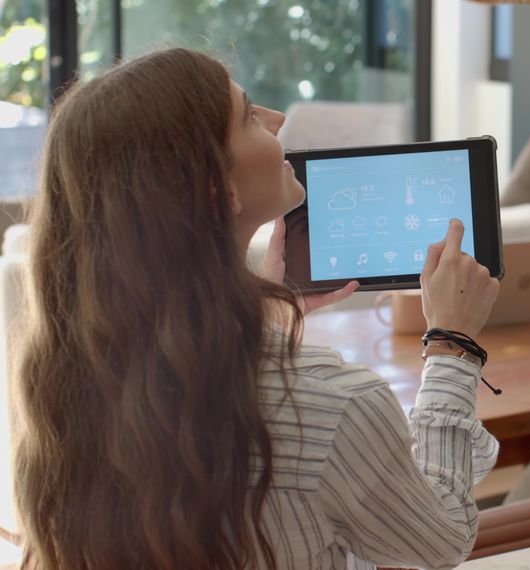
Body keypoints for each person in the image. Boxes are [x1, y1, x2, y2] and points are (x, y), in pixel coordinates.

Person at [14, 47, 500, 569]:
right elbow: (441, 542)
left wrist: (258, 315)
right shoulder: (333, 405)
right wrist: (452, 346)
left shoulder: (71, 382)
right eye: (248, 116)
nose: (276, 119)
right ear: (217, 188)